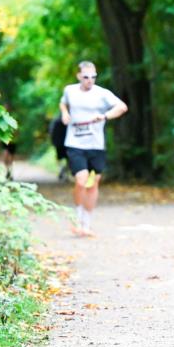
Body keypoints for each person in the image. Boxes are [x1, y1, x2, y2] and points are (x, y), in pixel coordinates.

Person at [59, 61, 128, 236]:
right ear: (78, 76)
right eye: (86, 77)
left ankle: (87, 224)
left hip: (96, 145)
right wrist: (65, 113)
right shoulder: (70, 91)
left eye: (93, 77)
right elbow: (63, 103)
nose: (90, 80)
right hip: (75, 143)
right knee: (81, 180)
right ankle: (77, 219)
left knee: (93, 183)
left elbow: (122, 107)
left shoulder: (102, 93)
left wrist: (104, 116)